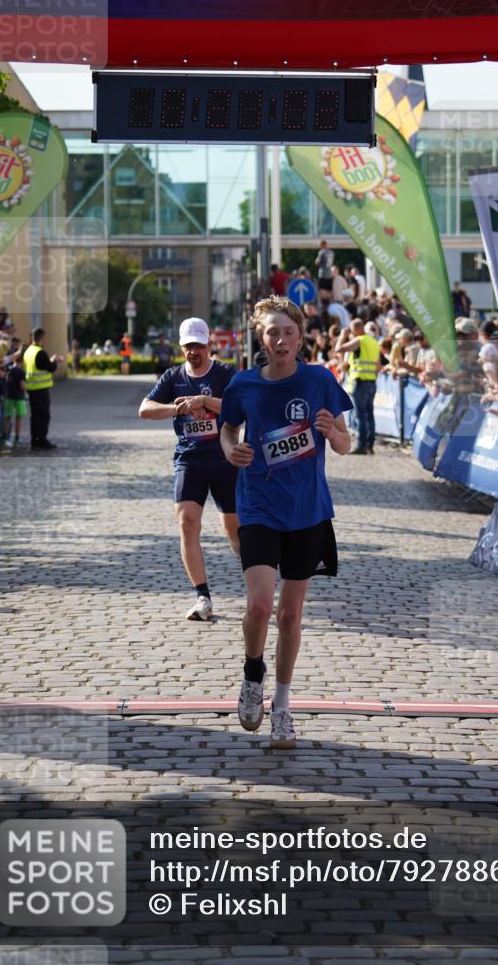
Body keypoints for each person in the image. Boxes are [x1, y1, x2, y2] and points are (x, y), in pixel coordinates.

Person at [220, 296, 353, 748]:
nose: (280, 340)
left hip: (307, 510)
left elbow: (345, 444)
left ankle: (281, 706)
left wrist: (331, 432)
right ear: (262, 338)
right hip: (258, 505)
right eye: (272, 333)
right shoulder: (243, 384)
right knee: (260, 606)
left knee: (290, 614)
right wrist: (231, 451)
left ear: (300, 337)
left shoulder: (320, 381)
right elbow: (228, 429)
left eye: (288, 333)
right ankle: (251, 673)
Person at [139, 317, 239, 621]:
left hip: (224, 459)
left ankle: (257, 581)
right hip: (189, 460)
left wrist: (205, 401)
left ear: (209, 345)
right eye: (188, 346)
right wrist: (177, 408)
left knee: (235, 531)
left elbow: (242, 406)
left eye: (198, 345)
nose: (193, 351)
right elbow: (145, 409)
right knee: (187, 522)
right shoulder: (173, 376)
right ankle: (202, 597)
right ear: (181, 347)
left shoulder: (225, 373)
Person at [335, 318, 380, 454]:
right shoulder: (373, 341)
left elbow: (339, 349)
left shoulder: (360, 340)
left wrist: (342, 336)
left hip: (360, 382)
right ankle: (370, 445)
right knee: (370, 414)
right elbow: (377, 364)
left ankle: (361, 446)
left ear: (355, 329)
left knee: (360, 415)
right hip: (371, 381)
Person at [23, 327, 62, 450]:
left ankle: (35, 440)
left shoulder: (29, 351)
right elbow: (50, 367)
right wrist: (54, 361)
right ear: (42, 338)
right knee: (43, 415)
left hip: (31, 387)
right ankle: (41, 440)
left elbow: (39, 366)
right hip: (40, 388)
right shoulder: (40, 352)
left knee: (35, 416)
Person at [3, 350, 27, 445]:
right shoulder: (21, 372)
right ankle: (16, 438)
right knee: (18, 418)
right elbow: (22, 385)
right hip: (19, 397)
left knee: (7, 417)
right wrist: (27, 387)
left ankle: (4, 437)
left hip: (9, 396)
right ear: (22, 361)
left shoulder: (9, 370)